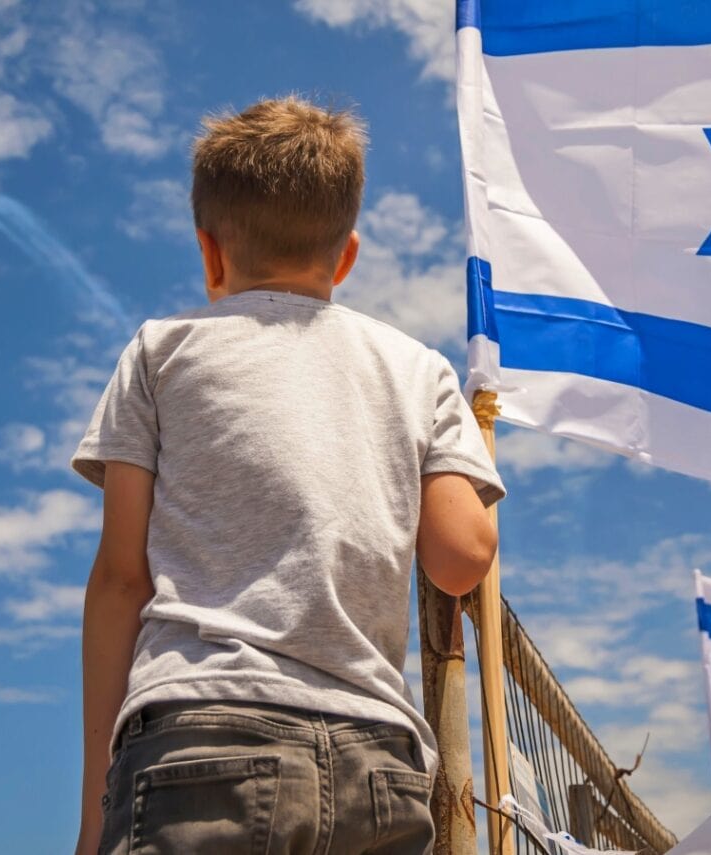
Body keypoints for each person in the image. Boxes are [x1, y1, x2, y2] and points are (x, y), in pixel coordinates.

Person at [70, 95, 504, 855]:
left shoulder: (159, 352)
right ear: (347, 255)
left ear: (209, 253)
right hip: (378, 758)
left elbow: (122, 579)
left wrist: (92, 813)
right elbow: (461, 556)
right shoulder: (418, 368)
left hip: (200, 734)